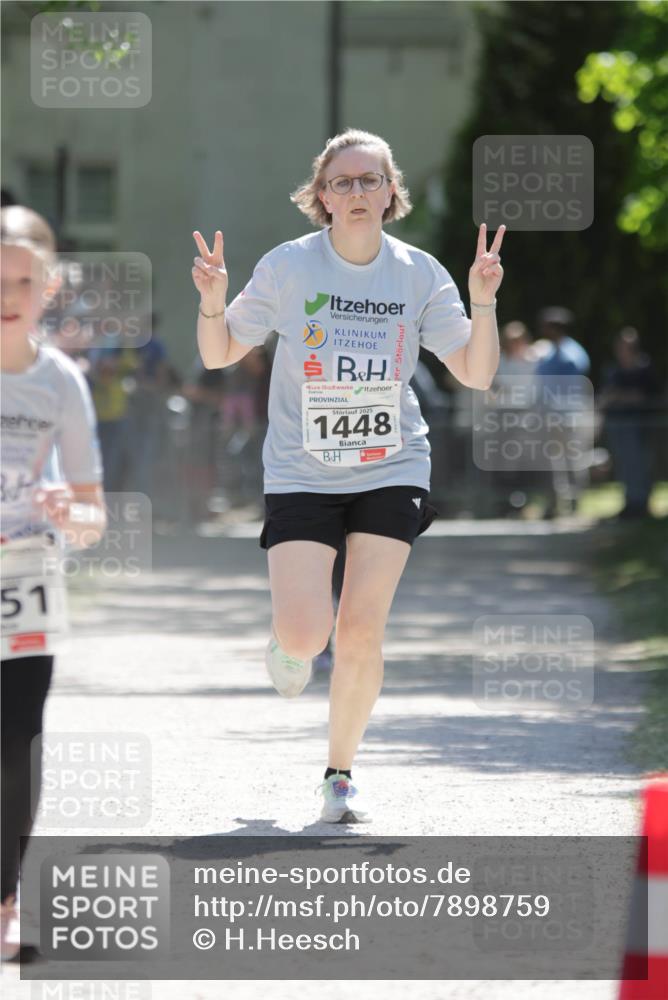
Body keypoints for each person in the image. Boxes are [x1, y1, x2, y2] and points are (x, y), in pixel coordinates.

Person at [191, 128, 504, 823]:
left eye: (371, 180)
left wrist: (484, 301)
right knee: (308, 637)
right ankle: (288, 637)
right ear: (321, 197)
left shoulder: (420, 273)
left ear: (391, 192)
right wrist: (212, 300)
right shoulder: (288, 266)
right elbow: (218, 354)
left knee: (361, 630)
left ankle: (339, 774)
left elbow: (477, 372)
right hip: (302, 469)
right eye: (343, 181)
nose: (357, 192)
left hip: (392, 464)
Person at [0, 206, 107, 958]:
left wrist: (69, 509)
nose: (7, 292)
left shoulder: (62, 381)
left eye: (23, 280)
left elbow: (95, 518)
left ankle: (5, 902)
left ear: (50, 287)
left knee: (16, 742)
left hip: (25, 580)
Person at [599, 327, 663, 519]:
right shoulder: (614, 371)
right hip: (618, 426)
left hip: (640, 427)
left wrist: (623, 397)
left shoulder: (645, 369)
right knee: (624, 466)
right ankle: (630, 502)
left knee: (640, 465)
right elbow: (606, 397)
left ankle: (641, 504)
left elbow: (646, 396)